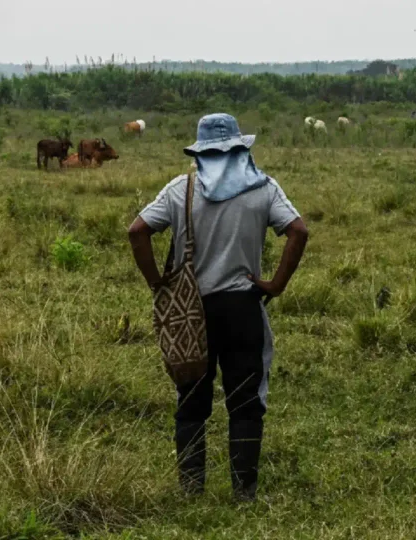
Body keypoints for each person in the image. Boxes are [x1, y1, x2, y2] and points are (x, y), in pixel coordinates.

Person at [127, 113, 308, 501]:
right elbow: (298, 230)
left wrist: (157, 282)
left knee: (191, 400)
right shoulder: (263, 188)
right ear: (241, 148)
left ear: (199, 152)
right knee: (245, 400)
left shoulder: (180, 189)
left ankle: (192, 490)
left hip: (192, 312)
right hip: (243, 307)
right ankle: (244, 491)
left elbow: (137, 231)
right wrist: (276, 284)